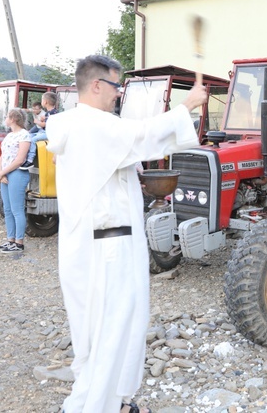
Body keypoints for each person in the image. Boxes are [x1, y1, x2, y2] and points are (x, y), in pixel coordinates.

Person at [46, 54, 207, 413]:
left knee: (95, 331)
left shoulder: (71, 124)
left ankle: (111, 400)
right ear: (97, 85)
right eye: (117, 86)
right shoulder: (94, 125)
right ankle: (96, 406)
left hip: (89, 243)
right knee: (113, 329)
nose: (119, 94)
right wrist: (187, 106)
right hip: (109, 247)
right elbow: (145, 135)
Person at [0, 108, 31, 253]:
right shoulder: (9, 135)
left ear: (13, 119)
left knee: (17, 209)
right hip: (5, 174)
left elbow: (19, 160)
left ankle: (19, 242)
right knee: (7, 209)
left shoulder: (24, 135)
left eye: (7, 117)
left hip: (17, 174)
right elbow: (3, 155)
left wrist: (3, 172)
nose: (5, 119)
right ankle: (10, 240)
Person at [22, 92, 57, 168]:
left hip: (48, 133)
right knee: (28, 136)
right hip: (42, 131)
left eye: (42, 100)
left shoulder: (53, 113)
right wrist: (43, 118)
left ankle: (30, 160)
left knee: (34, 139)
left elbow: (46, 125)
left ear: (45, 102)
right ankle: (24, 156)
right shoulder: (49, 112)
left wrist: (38, 121)